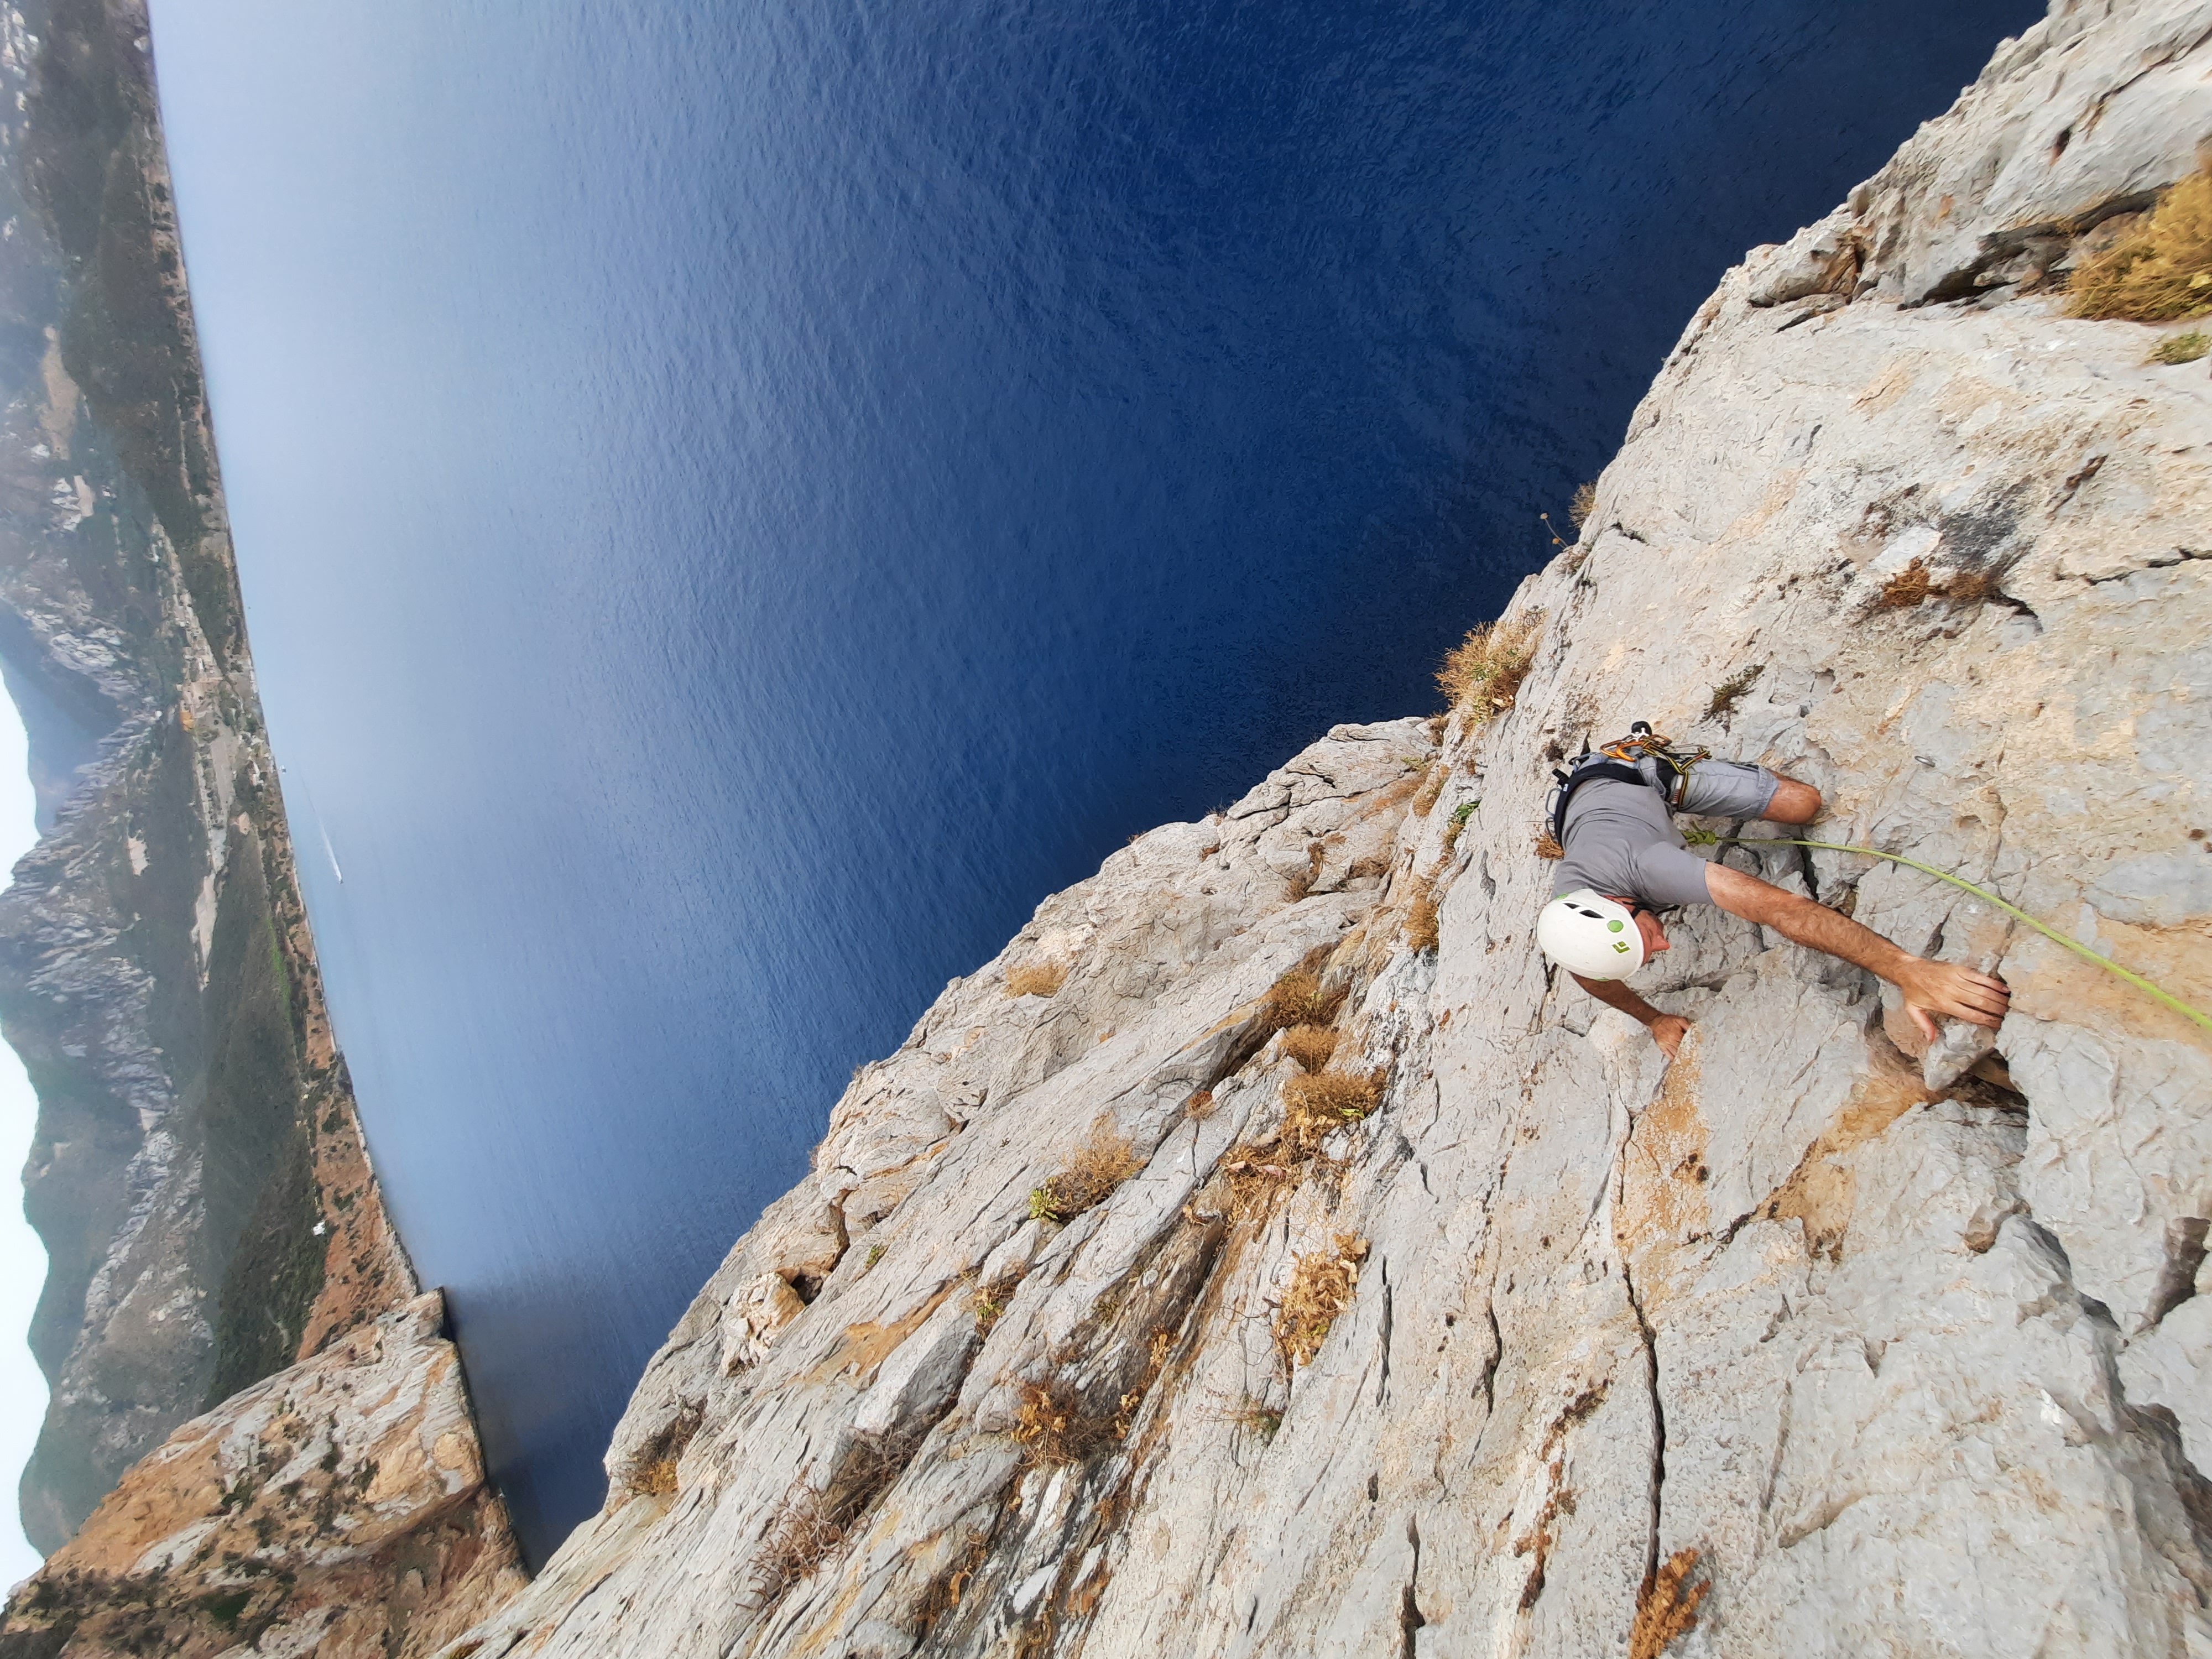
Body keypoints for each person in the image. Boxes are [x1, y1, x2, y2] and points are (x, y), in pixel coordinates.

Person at [1536, 729, 2010, 1058]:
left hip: (1631, 777)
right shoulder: (1571, 923)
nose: (1664, 945)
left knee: (1802, 805)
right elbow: (1589, 975)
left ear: (1619, 904)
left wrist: (1906, 969)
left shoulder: (1651, 867)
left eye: (1646, 938)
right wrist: (1654, 1020)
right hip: (1578, 814)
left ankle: (1653, 762)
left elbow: (1783, 909)